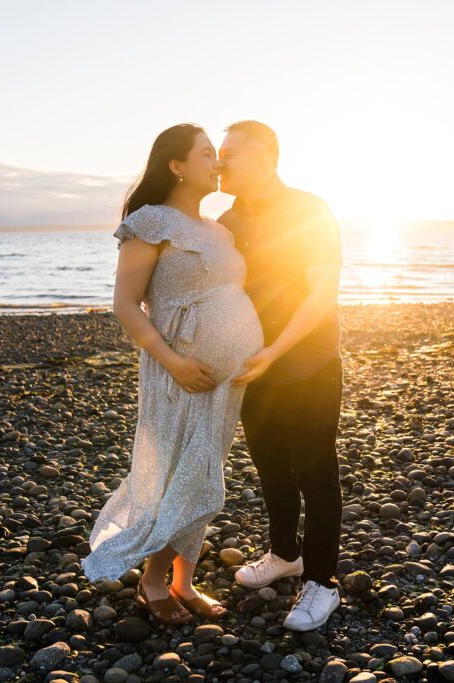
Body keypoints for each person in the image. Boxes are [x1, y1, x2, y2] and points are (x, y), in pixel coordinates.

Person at [80, 124, 264, 625]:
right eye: (207, 154)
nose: (217, 162)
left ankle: (183, 579)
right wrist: (176, 362)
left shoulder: (220, 231)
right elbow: (125, 306)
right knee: (181, 472)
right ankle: (154, 580)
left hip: (224, 381)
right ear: (176, 165)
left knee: (203, 472)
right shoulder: (149, 222)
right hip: (179, 373)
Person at [217, 120, 344, 631]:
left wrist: (276, 350)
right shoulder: (227, 220)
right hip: (253, 365)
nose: (220, 163)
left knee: (315, 472)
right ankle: (284, 555)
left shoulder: (308, 210)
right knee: (270, 466)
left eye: (229, 154)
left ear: (265, 159)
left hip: (309, 361)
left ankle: (322, 584)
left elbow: (322, 294)